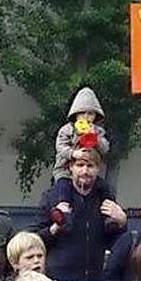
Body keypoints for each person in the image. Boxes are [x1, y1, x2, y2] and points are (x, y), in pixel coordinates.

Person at [34, 147, 126, 281]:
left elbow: (117, 242)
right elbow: (35, 239)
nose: (85, 171)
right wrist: (54, 228)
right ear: (70, 167)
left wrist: (122, 221)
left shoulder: (105, 199)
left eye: (90, 165)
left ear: (98, 168)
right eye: (80, 165)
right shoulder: (53, 198)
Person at [50, 87, 114, 232]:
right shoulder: (67, 130)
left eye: (90, 113)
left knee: (104, 188)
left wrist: (94, 137)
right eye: (82, 113)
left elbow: (105, 148)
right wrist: (73, 153)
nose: (86, 117)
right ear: (76, 114)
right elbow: (60, 147)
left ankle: (108, 218)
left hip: (89, 171)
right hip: (65, 170)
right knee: (63, 189)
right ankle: (62, 214)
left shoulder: (98, 131)